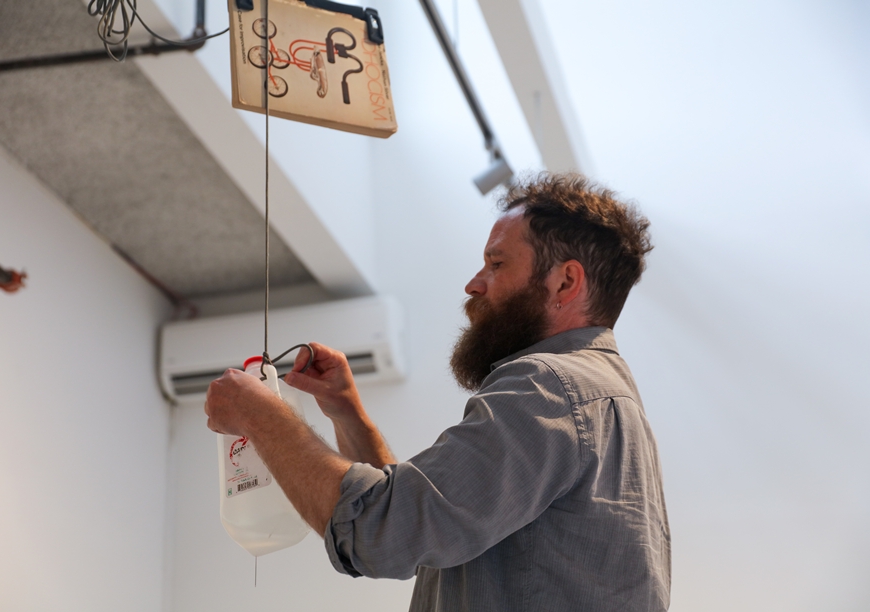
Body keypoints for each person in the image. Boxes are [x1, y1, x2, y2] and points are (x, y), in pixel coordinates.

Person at [205, 173, 671, 611]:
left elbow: (382, 533)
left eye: (496, 263)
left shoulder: (551, 387)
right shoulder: (601, 399)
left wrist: (260, 417)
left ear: (565, 282)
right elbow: (430, 530)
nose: (474, 283)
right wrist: (345, 412)